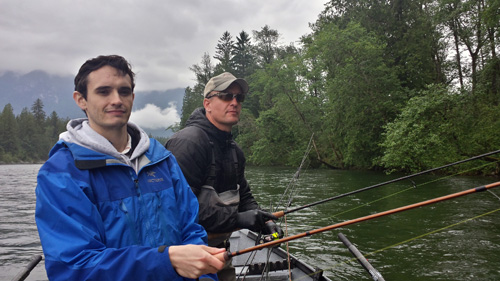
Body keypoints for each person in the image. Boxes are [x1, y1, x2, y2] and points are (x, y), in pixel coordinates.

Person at [35, 55, 226, 281]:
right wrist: (166, 260)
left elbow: (191, 232)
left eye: (124, 92)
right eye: (104, 91)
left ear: (133, 97)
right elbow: (75, 267)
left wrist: (204, 276)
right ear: (81, 100)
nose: (117, 100)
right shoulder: (61, 173)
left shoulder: (162, 159)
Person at [165, 72, 283, 280]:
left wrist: (262, 219)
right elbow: (178, 209)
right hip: (188, 257)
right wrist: (237, 219)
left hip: (220, 253)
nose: (235, 102)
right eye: (227, 96)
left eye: (239, 98)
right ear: (207, 103)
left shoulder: (234, 150)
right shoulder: (188, 143)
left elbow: (244, 195)